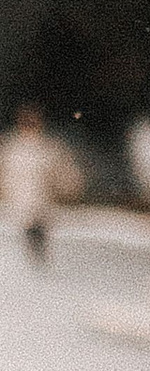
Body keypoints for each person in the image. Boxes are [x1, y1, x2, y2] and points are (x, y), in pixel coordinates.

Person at [4, 103, 81, 262]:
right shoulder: (11, 147)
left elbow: (66, 176)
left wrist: (70, 190)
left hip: (40, 206)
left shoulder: (49, 147)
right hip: (17, 207)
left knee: (36, 244)